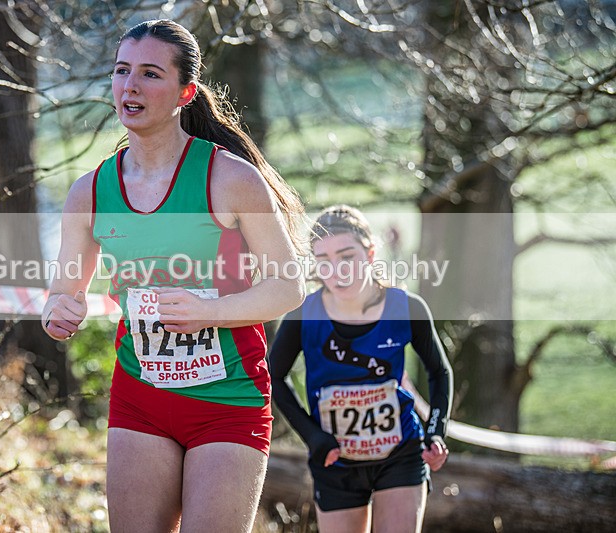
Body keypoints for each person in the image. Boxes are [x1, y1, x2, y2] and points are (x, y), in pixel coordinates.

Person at [41, 19, 306, 533]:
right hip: (140, 398)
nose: (130, 86)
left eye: (150, 73)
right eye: (121, 71)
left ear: (185, 92)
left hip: (228, 398)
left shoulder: (230, 178)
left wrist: (211, 312)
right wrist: (59, 313)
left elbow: (288, 286)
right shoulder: (90, 192)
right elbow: (61, 294)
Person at [269, 205, 453, 533]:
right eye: (323, 260)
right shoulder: (303, 314)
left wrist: (436, 431)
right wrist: (312, 436)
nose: (336, 270)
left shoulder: (406, 307)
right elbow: (273, 376)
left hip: (401, 452)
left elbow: (440, 372)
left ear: (369, 254)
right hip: (335, 458)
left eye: (346, 257)